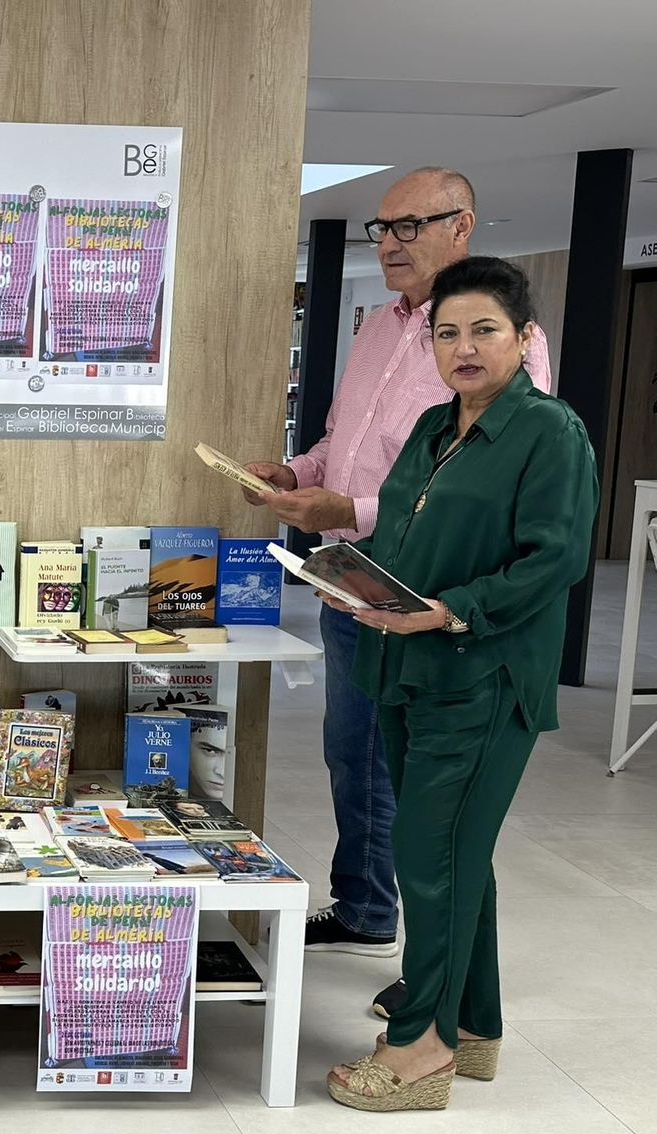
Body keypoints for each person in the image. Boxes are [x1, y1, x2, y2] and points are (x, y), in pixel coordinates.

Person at [244, 168, 552, 987]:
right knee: (353, 751)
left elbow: (476, 487)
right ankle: (366, 907)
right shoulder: (380, 326)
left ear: (463, 226)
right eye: (381, 229)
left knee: (422, 784)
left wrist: (347, 507)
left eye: (409, 226)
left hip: (433, 598)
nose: (389, 243)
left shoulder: (507, 356)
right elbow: (344, 440)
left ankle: (437, 979)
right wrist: (297, 474)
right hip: (352, 580)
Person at [323, 257, 596, 1111]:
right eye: (447, 333)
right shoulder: (435, 426)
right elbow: (405, 535)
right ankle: (473, 1026)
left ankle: (420, 1048)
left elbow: (555, 558)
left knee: (429, 855)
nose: (464, 348)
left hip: (481, 677)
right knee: (452, 851)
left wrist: (453, 611)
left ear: (524, 338)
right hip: (408, 670)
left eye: (484, 330)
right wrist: (357, 577)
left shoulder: (549, 431)